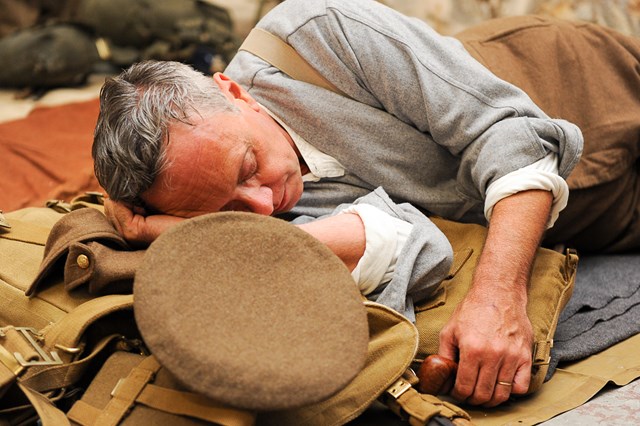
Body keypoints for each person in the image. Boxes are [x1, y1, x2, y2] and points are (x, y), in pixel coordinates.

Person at [91, 0, 640, 409]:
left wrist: (497, 295)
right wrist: (192, 237)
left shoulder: (316, 32)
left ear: (233, 93)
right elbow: (416, 248)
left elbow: (511, 135)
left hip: (591, 83)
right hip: (590, 218)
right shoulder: (244, 209)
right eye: (228, 213)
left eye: (248, 168)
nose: (262, 205)